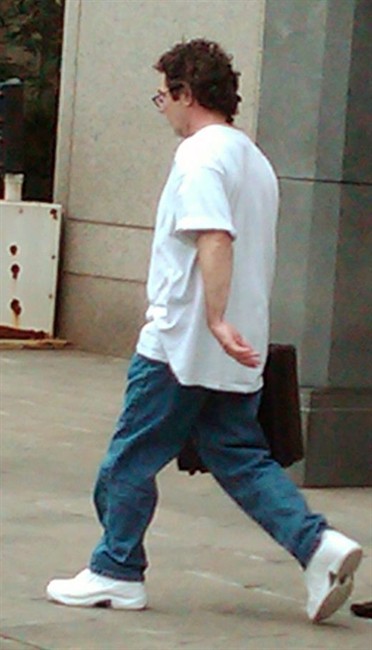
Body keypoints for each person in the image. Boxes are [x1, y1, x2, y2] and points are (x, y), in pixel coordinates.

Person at [46, 38, 362, 623]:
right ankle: (319, 547)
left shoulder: (199, 158)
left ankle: (116, 569)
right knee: (240, 457)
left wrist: (212, 319)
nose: (162, 106)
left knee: (129, 459)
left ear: (187, 94)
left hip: (182, 341)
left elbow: (214, 237)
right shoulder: (253, 159)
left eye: (163, 95)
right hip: (234, 348)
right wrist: (227, 323)